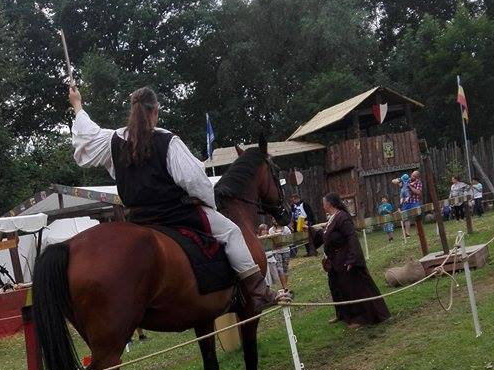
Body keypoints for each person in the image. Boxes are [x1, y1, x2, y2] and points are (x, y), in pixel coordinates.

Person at [68, 85, 288, 315]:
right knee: (231, 231)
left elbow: (88, 138)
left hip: (138, 218)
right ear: (155, 110)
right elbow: (195, 180)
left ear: (133, 111)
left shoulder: (113, 140)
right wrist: (208, 203)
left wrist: (77, 105)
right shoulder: (167, 141)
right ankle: (259, 292)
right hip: (175, 215)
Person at [311, 193, 390, 327]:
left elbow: (351, 237)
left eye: (324, 202)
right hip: (334, 260)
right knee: (337, 287)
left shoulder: (342, 217)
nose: (323, 205)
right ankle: (343, 314)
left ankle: (361, 318)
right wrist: (311, 230)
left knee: (353, 288)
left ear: (330, 203)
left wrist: (352, 259)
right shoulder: (332, 218)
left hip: (345, 258)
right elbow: (327, 235)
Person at [268, 219, 292, 291]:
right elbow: (271, 242)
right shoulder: (271, 230)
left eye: (276, 219)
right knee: (279, 269)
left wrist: (282, 241)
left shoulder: (286, 228)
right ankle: (285, 287)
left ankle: (285, 286)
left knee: (285, 269)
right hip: (277, 251)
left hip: (286, 250)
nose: (275, 220)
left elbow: (289, 239)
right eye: (273, 219)